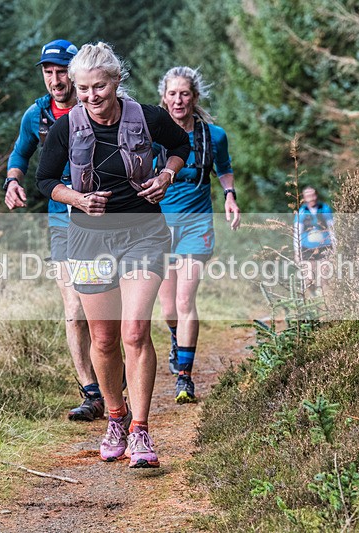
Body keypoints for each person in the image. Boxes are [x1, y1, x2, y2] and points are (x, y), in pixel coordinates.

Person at [35, 42, 190, 468]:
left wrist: (166, 174)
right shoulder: (68, 127)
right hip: (88, 237)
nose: (89, 96)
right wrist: (78, 200)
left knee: (135, 332)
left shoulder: (148, 116)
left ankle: (141, 431)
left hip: (143, 232)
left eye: (98, 86)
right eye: (82, 88)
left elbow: (181, 145)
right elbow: (45, 179)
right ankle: (116, 418)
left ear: (116, 81)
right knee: (103, 339)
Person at [4, 39, 103, 422]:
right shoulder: (37, 114)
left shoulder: (95, 106)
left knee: (103, 311)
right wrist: (12, 182)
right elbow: (20, 154)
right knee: (74, 308)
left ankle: (111, 371)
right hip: (61, 220)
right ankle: (91, 392)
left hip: (102, 217)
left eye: (61, 71)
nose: (55, 79)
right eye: (48, 72)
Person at [155, 66, 241, 404]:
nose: (179, 100)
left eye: (185, 93)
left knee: (184, 300)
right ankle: (178, 340)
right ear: (164, 97)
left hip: (196, 225)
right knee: (167, 310)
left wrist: (230, 197)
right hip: (159, 227)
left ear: (195, 97)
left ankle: (184, 377)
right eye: (173, 94)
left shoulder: (213, 135)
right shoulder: (152, 133)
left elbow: (225, 168)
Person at [293, 186, 335, 298]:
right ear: (304, 198)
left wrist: (335, 247)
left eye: (313, 195)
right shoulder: (301, 212)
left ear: (316, 195)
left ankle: (325, 300)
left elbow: (332, 229)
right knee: (309, 278)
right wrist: (297, 252)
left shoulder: (325, 209)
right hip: (307, 248)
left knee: (324, 276)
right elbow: (297, 232)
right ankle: (312, 296)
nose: (312, 198)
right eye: (308, 196)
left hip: (325, 246)